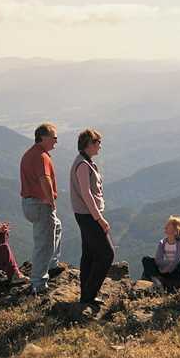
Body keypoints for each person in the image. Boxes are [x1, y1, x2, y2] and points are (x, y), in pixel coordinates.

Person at [70, 129, 114, 305]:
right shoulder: (83, 165)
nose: (100, 146)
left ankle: (86, 295)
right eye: (97, 142)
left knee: (88, 254)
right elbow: (86, 194)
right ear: (89, 144)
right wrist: (99, 219)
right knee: (106, 254)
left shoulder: (84, 162)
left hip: (86, 215)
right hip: (89, 216)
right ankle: (89, 293)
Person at [20, 123, 63, 294]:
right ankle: (38, 283)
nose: (56, 141)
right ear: (43, 137)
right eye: (54, 137)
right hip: (40, 204)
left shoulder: (31, 153)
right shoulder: (41, 156)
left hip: (30, 203)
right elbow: (44, 178)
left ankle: (52, 265)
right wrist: (51, 200)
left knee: (57, 227)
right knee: (44, 243)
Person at [140, 216, 180, 293]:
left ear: (176, 230)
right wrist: (164, 268)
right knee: (146, 260)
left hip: (177, 271)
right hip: (166, 270)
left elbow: (177, 261)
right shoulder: (162, 243)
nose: (165, 227)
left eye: (168, 225)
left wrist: (166, 268)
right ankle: (157, 282)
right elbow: (158, 260)